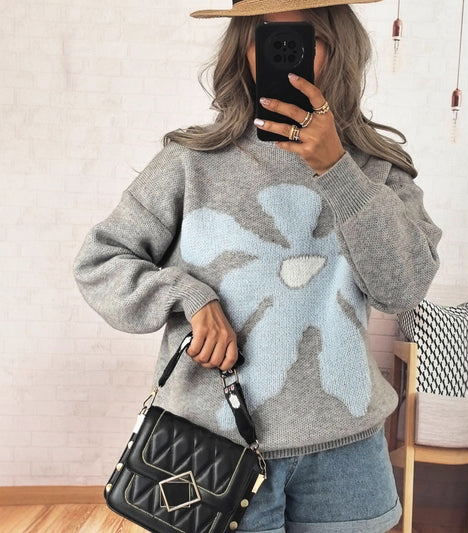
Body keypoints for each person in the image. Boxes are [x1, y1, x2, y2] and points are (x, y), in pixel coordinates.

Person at [73, 1, 442, 531]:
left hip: (348, 454)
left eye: (305, 38)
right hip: (211, 448)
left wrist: (337, 169)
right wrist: (188, 296)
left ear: (339, 46)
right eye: (269, 39)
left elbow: (402, 289)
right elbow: (100, 261)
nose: (286, 53)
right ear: (243, 49)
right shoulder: (190, 161)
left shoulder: (377, 167)